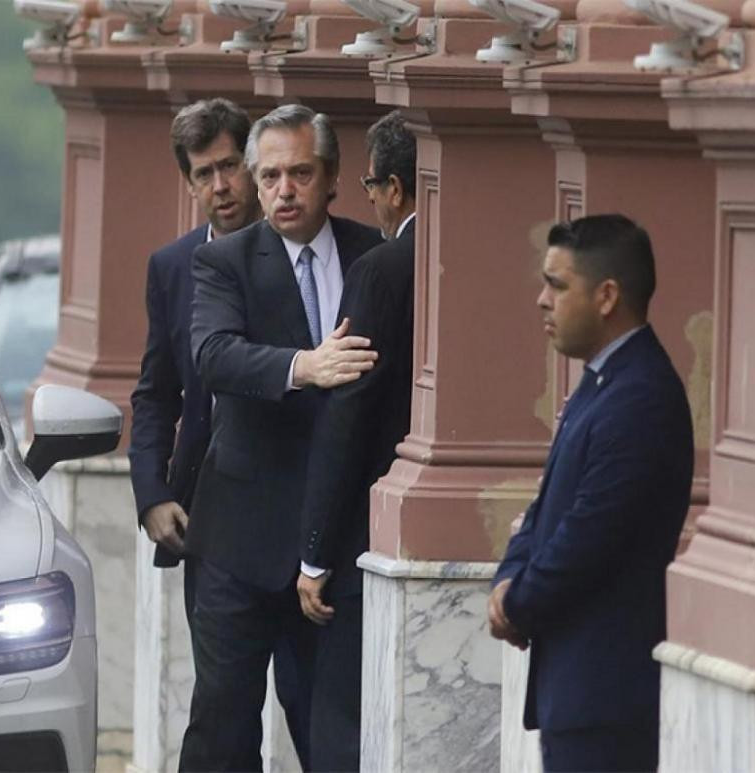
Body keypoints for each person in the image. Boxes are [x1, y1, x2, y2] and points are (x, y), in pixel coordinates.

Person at [181, 103, 383, 772]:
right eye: (269, 176)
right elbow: (214, 354)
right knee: (224, 730)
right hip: (239, 542)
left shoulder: (371, 256)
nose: (284, 190)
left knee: (334, 735)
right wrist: (305, 365)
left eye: (300, 172)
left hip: (335, 540)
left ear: (331, 177)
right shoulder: (225, 262)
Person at [488, 214, 694, 773]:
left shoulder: (641, 397)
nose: (541, 301)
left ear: (607, 296)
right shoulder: (601, 382)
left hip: (607, 695)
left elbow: (589, 534)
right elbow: (543, 508)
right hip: (576, 686)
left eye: (557, 285)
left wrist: (517, 601)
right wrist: (509, 577)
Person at [294, 110, 417, 772]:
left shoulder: (381, 267)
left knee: (342, 718)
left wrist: (314, 552)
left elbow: (349, 412)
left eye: (371, 184)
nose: (369, 200)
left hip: (365, 529)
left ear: (394, 189)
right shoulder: (474, 255)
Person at [129, 98, 260, 582]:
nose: (221, 186)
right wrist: (151, 495)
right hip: (205, 518)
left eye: (230, 167)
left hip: (290, 516)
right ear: (189, 184)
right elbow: (156, 393)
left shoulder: (300, 255)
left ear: (253, 166)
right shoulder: (171, 267)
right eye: (204, 174)